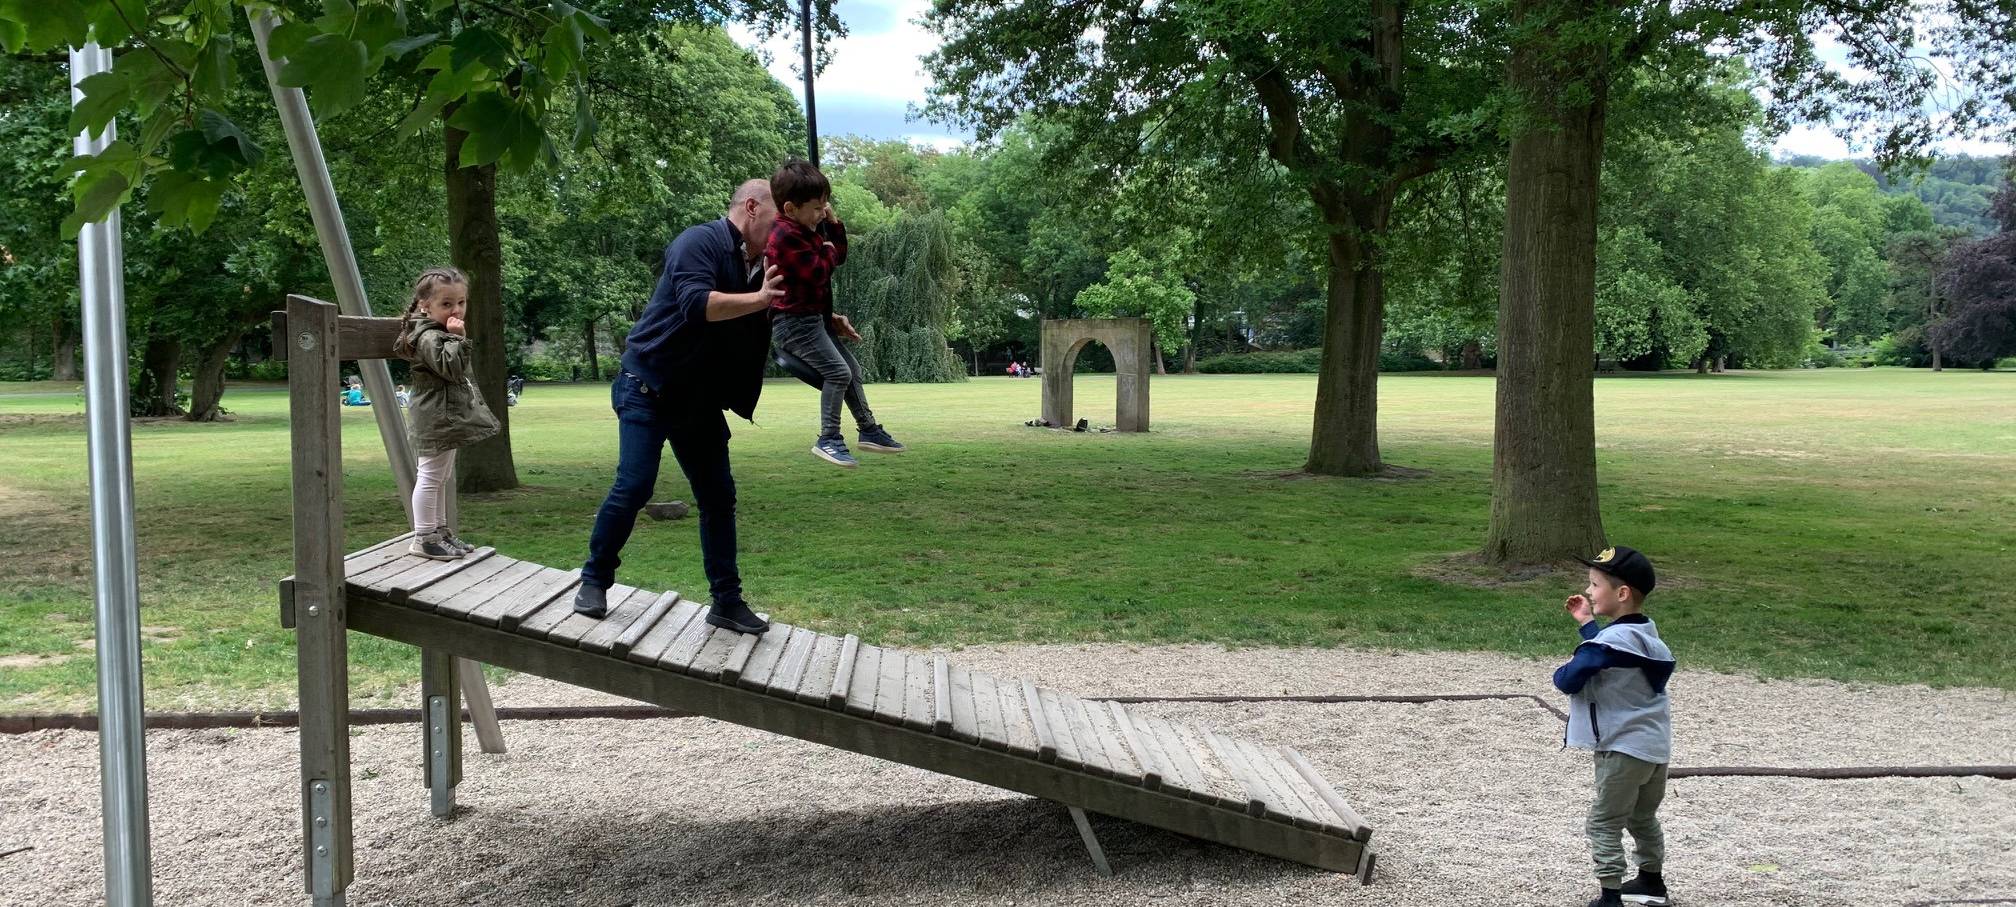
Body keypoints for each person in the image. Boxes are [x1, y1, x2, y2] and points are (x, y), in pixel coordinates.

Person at [572, 179, 780, 635]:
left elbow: (779, 308)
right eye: (778, 218)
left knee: (718, 499)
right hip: (647, 387)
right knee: (634, 486)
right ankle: (594, 579)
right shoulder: (698, 243)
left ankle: (726, 602)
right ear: (751, 208)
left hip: (699, 400)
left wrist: (823, 319)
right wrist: (761, 299)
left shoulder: (762, 263)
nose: (782, 230)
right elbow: (696, 305)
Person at [1553, 545, 1676, 907]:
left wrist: (1562, 669)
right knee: (1642, 816)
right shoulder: (1647, 635)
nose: (1589, 592)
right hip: (1653, 749)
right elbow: (1609, 651)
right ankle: (1651, 882)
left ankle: (1610, 897)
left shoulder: (1610, 644)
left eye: (1594, 585)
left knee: (1604, 822)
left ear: (1621, 594)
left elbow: (1568, 678)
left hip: (1620, 748)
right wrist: (1587, 623)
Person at [763, 159, 906, 469]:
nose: (821, 212)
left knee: (852, 370)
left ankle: (868, 430)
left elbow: (837, 258)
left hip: (813, 319)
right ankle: (829, 438)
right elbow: (818, 272)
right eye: (817, 207)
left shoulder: (805, 229)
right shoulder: (784, 236)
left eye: (825, 205)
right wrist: (826, 245)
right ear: (790, 208)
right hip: (794, 325)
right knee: (838, 372)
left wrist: (833, 225)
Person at [392, 267, 500, 560]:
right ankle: (424, 537)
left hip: (443, 416)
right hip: (435, 416)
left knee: (441, 475)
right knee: (429, 475)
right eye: (447, 304)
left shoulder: (437, 333)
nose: (457, 310)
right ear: (425, 305)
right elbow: (451, 370)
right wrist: (458, 338)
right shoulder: (429, 337)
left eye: (461, 302)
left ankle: (439, 531)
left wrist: (453, 338)